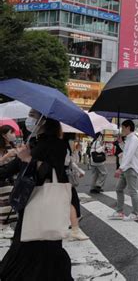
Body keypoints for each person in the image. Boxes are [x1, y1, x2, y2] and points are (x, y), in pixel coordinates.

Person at [0, 110, 73, 280]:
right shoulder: (32, 143)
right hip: (30, 202)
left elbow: (55, 173)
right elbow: (9, 170)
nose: (29, 118)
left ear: (43, 120)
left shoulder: (57, 144)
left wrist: (28, 160)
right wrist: (12, 158)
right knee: (25, 240)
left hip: (46, 202)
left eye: (33, 115)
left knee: (46, 241)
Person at [109, 120, 138, 221]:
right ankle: (119, 211)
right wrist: (121, 143)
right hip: (126, 168)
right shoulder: (129, 139)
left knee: (132, 191)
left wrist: (120, 168)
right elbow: (126, 151)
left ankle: (136, 214)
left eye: (123, 128)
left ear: (128, 128)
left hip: (131, 167)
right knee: (119, 188)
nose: (122, 130)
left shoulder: (134, 139)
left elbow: (129, 155)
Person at [63, 133, 89, 241]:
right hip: (59, 176)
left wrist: (79, 170)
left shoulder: (65, 145)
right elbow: (67, 161)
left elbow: (71, 162)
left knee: (72, 200)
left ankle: (74, 227)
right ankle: (73, 227)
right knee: (71, 200)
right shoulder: (61, 145)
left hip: (63, 176)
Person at [0, 125, 18, 239]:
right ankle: (3, 227)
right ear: (4, 135)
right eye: (11, 132)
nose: (14, 135)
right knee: (5, 203)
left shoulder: (12, 146)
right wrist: (6, 156)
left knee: (10, 202)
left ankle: (5, 226)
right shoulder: (1, 149)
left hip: (13, 178)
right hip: (3, 179)